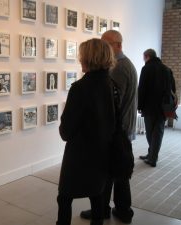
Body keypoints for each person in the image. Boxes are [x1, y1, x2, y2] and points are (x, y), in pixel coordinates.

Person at [80, 30, 138, 224]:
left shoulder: (120, 67)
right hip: (121, 127)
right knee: (115, 169)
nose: (103, 48)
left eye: (106, 44)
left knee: (116, 171)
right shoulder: (124, 64)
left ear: (117, 45)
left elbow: (114, 103)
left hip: (118, 129)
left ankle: (117, 210)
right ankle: (112, 209)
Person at [56, 38, 116, 225]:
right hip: (103, 152)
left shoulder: (80, 88)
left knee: (65, 197)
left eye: (82, 55)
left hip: (79, 154)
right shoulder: (111, 85)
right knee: (97, 195)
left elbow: (66, 131)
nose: (79, 58)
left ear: (90, 58)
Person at [138, 49, 175, 167]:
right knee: (158, 132)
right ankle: (152, 155)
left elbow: (142, 89)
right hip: (164, 107)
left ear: (147, 56)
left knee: (150, 132)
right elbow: (173, 89)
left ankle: (152, 157)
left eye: (144, 57)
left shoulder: (146, 69)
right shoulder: (167, 69)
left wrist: (139, 106)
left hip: (149, 107)